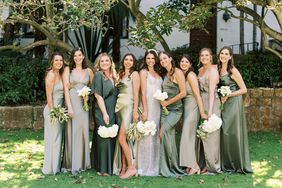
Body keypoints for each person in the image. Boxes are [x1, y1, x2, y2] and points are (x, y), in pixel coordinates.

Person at [218, 46, 252, 173]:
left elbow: (244, 89)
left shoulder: (232, 70)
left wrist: (229, 95)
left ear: (230, 56)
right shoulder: (218, 69)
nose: (224, 56)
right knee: (224, 132)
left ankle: (236, 163)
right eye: (222, 53)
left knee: (232, 132)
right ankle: (225, 162)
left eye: (226, 54)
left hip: (233, 103)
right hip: (223, 104)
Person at [62, 47, 94, 174]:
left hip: (83, 104)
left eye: (80, 55)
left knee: (83, 130)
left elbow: (93, 88)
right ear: (72, 57)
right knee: (72, 131)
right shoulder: (68, 70)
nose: (78, 58)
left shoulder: (89, 71)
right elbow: (66, 88)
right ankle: (72, 163)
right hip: (73, 103)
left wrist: (88, 96)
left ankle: (83, 162)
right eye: (75, 56)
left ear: (83, 56)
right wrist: (69, 106)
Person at [178, 54, 208, 175]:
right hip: (186, 107)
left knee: (187, 136)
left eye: (186, 62)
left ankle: (194, 166)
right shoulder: (183, 76)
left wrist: (201, 112)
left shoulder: (190, 75)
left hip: (193, 108)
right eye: (182, 61)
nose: (183, 64)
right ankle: (190, 164)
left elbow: (197, 94)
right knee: (189, 137)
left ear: (190, 64)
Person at [158, 51, 186, 177]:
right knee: (166, 136)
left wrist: (168, 102)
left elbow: (183, 93)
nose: (163, 61)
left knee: (163, 132)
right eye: (161, 59)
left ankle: (171, 168)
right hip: (165, 110)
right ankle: (170, 166)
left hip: (176, 110)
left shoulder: (177, 72)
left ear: (170, 58)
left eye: (165, 58)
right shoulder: (165, 73)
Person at [113, 53, 140, 179]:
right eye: (126, 59)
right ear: (123, 61)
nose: (128, 62)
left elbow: (136, 94)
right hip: (119, 108)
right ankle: (123, 167)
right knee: (123, 139)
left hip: (129, 108)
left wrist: (135, 111)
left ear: (134, 62)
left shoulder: (134, 75)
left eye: (131, 60)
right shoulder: (121, 74)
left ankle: (131, 167)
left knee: (122, 138)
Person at [90, 53, 118, 176]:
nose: (105, 63)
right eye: (102, 61)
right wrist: (105, 113)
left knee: (111, 137)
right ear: (99, 64)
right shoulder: (98, 75)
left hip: (113, 110)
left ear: (111, 62)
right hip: (102, 110)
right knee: (104, 137)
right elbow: (98, 95)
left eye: (107, 60)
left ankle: (110, 166)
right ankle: (103, 169)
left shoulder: (114, 76)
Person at [137, 49, 162, 176]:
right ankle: (144, 166)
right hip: (148, 106)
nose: (150, 60)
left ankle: (154, 165)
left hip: (158, 107)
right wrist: (145, 110)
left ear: (156, 59)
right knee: (146, 134)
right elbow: (143, 92)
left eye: (152, 58)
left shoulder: (158, 73)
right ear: (145, 60)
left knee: (155, 134)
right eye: (148, 58)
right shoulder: (143, 72)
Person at [197, 48, 221, 174]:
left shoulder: (213, 69)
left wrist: (210, 111)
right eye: (202, 55)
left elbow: (212, 91)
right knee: (203, 134)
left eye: (207, 55)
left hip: (211, 103)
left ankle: (212, 165)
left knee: (212, 135)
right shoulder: (200, 70)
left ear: (211, 57)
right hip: (202, 102)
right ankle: (204, 163)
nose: (204, 57)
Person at [42, 52, 65, 175]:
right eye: (56, 60)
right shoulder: (50, 75)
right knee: (53, 139)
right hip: (53, 110)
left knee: (57, 138)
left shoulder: (61, 74)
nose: (59, 62)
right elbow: (49, 96)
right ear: (52, 61)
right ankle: (50, 168)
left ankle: (55, 166)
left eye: (61, 60)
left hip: (59, 110)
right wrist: (52, 113)